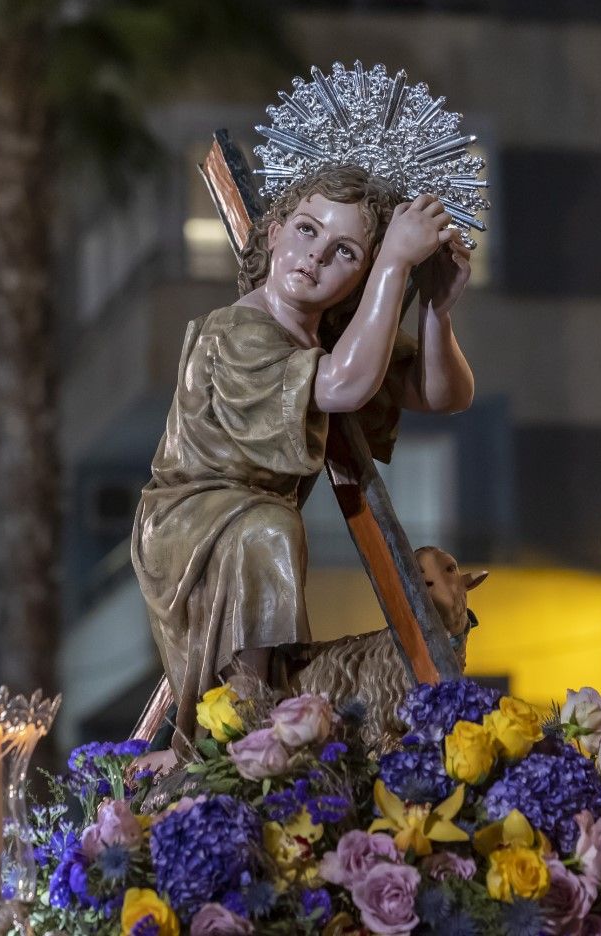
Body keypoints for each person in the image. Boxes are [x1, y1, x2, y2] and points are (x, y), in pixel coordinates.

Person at [131, 163, 476, 743]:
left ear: (360, 278)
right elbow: (342, 387)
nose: (315, 257)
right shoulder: (237, 330)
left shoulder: (336, 342)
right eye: (308, 230)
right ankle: (244, 717)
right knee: (267, 528)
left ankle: (257, 709)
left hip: (254, 528)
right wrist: (393, 262)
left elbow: (445, 394)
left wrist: (435, 307)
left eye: (345, 252)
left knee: (270, 528)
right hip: (193, 522)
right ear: (273, 233)